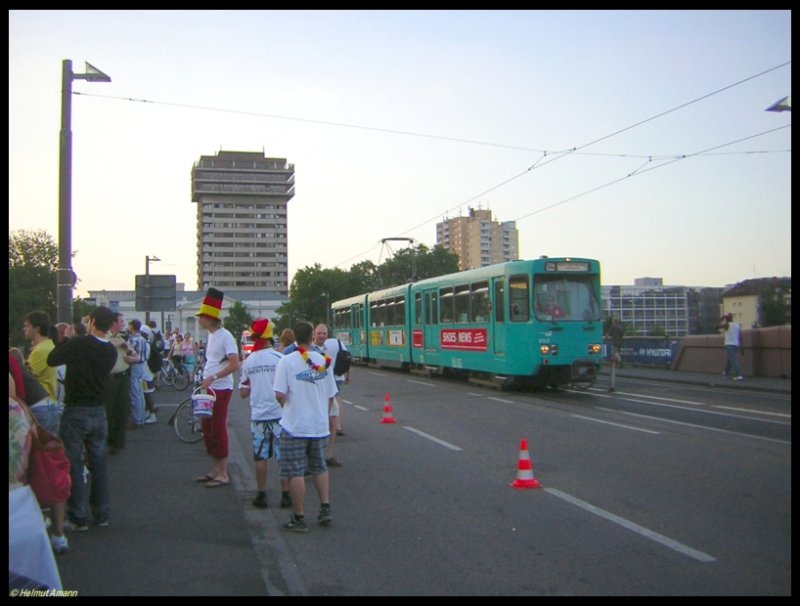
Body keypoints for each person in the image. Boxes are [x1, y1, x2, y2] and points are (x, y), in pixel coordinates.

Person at [47, 306, 117, 531]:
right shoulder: (111, 352)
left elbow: (52, 359)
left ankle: (78, 517)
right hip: (99, 410)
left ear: (92, 321)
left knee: (74, 463)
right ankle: (102, 513)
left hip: (76, 409)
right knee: (98, 463)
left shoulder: (78, 344)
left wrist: (66, 339)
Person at [274, 321, 338, 533]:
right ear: (312, 336)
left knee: (295, 472)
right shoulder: (324, 362)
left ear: (293, 338)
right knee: (319, 467)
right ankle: (325, 507)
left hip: (295, 425)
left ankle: (299, 517)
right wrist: (321, 412)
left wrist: (289, 409)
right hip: (319, 426)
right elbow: (331, 396)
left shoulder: (287, 361)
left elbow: (279, 394)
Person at [9, 352, 69, 554]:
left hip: (18, 420)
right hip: (23, 417)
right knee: (26, 479)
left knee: (18, 481)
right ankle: (52, 532)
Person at [238, 318, 291, 509]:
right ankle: (286, 495)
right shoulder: (280, 359)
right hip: (279, 414)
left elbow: (243, 393)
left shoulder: (249, 361)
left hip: (259, 416)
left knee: (260, 457)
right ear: (270, 337)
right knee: (282, 456)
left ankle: (261, 494)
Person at [195, 288, 240, 488]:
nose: (199, 320)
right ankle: (215, 468)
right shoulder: (212, 336)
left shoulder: (225, 336)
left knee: (218, 427)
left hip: (220, 388)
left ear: (210, 318)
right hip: (209, 387)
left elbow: (234, 364)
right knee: (207, 428)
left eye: (202, 317)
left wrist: (212, 377)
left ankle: (223, 472)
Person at [312, 324, 347, 466]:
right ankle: (313, 457)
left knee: (333, 420)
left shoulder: (327, 349)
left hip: (328, 391)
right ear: (314, 334)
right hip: (314, 392)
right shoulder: (309, 350)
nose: (321, 336)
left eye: (324, 334)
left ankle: (328, 454)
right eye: (319, 333)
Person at [106, 313, 138, 453]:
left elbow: (136, 356)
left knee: (122, 409)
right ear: (113, 323)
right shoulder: (106, 338)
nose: (123, 324)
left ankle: (119, 442)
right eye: (121, 321)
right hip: (110, 378)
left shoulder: (122, 339)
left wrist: (131, 356)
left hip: (123, 376)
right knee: (109, 410)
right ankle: (110, 439)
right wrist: (117, 344)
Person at [22, 311, 58, 403]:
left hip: (40, 403)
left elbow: (25, 377)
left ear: (37, 328)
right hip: (48, 402)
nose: (24, 329)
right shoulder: (49, 345)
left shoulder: (40, 351)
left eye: (27, 326)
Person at [126, 320, 149, 428]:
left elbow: (131, 353)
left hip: (134, 366)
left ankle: (137, 419)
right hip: (141, 366)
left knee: (134, 393)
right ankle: (142, 417)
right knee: (140, 393)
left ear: (132, 327)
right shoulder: (143, 339)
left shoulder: (133, 340)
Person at [718, 313, 744, 380]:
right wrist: (741, 347)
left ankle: (739, 374)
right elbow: (740, 337)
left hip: (729, 345)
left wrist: (721, 318)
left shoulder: (727, 325)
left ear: (727, 319)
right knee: (729, 360)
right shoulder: (737, 325)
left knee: (733, 360)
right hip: (736, 345)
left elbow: (716, 326)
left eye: (726, 318)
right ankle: (725, 373)